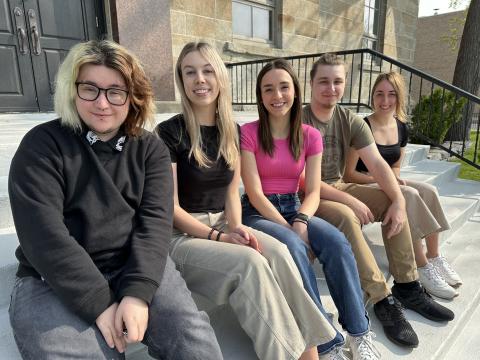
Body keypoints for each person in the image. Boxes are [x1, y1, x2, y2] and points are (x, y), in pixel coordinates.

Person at [8, 40, 222, 359]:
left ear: (132, 96)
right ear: (72, 89)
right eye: (90, 89)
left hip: (131, 264)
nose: (103, 103)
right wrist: (99, 301)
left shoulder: (150, 150)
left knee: (191, 339)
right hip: (50, 277)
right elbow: (44, 236)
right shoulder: (41, 146)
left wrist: (136, 294)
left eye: (115, 91)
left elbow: (154, 226)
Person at [156, 41, 336, 360]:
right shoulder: (168, 132)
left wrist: (237, 228)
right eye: (190, 72)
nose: (200, 79)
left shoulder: (232, 131)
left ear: (220, 77)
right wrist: (219, 237)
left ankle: (314, 353)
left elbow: (230, 193)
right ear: (181, 81)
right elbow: (169, 210)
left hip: (225, 222)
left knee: (280, 252)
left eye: (208, 70)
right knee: (250, 263)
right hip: (182, 236)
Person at [303, 53, 455, 349]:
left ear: (345, 84)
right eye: (323, 81)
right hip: (309, 193)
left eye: (337, 81)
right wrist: (350, 201)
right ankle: (381, 298)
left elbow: (378, 165)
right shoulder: (300, 119)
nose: (331, 88)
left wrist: (397, 200)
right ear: (311, 83)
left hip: (339, 185)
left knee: (394, 199)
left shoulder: (349, 119)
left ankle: (408, 285)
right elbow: (301, 178)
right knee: (347, 217)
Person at [240, 59, 379, 360]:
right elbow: (254, 192)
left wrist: (301, 219)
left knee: (337, 242)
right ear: (260, 96)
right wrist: (291, 230)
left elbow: (313, 190)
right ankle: (326, 342)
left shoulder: (309, 135)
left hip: (294, 204)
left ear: (295, 91)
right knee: (293, 245)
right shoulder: (248, 133)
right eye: (268, 89)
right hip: (258, 211)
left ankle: (358, 332)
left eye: (284, 87)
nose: (277, 95)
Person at [342, 71, 462, 300]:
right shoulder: (361, 126)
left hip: (384, 180)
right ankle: (422, 265)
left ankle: (435, 256)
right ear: (372, 97)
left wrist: (394, 179)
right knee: (409, 194)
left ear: (399, 98)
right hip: (365, 182)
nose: (385, 101)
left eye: (391, 95)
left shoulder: (401, 127)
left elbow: (395, 165)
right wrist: (383, 182)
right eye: (379, 94)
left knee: (429, 190)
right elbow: (349, 174)